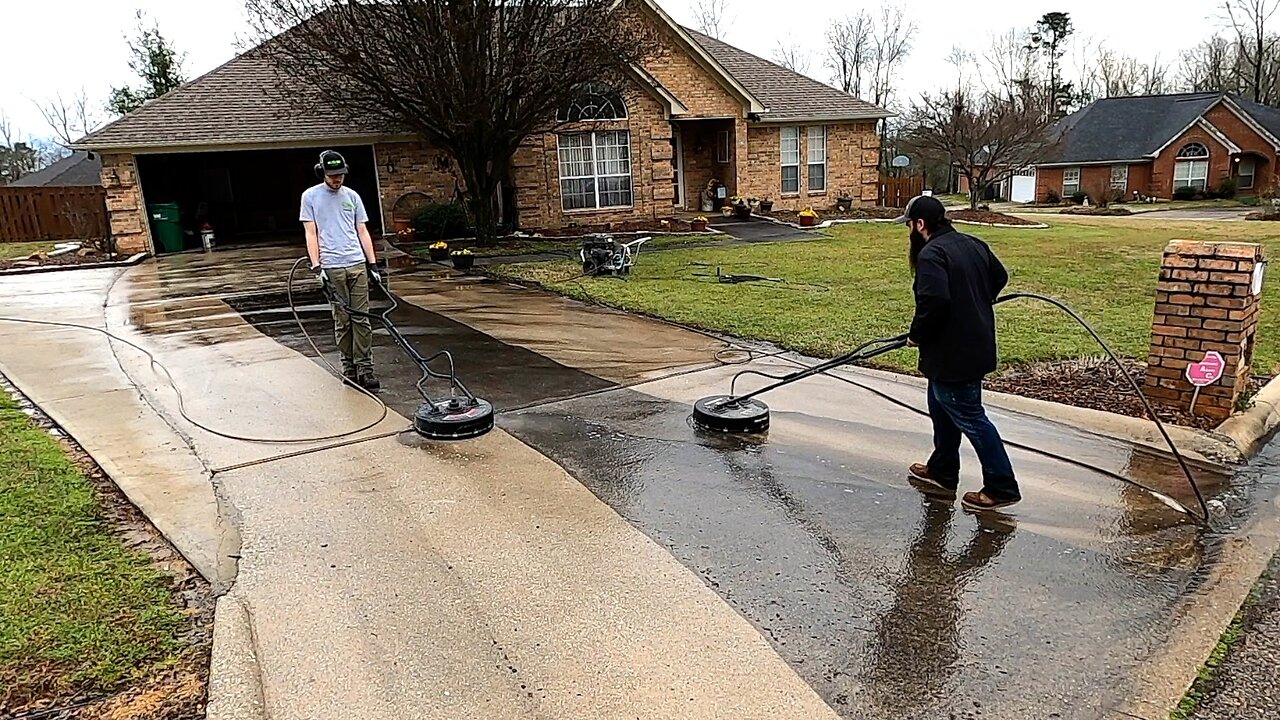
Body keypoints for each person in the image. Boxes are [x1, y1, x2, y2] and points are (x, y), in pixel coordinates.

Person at [896, 195, 1020, 511]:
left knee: (971, 416)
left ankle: (1001, 486)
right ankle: (943, 470)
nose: (909, 231)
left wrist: (917, 336)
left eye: (909, 225)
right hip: (967, 346)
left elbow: (934, 301)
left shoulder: (931, 255)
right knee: (940, 406)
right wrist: (976, 302)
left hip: (954, 353)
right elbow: (999, 277)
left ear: (920, 225)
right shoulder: (972, 243)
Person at [301, 150, 381, 391]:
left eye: (341, 175)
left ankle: (365, 367)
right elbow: (311, 232)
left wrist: (373, 264)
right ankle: (349, 366)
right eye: (333, 175)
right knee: (343, 320)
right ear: (323, 173)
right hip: (332, 266)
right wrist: (317, 267)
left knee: (362, 319)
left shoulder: (352, 196)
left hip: (356, 263)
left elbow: (362, 231)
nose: (337, 179)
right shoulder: (311, 197)